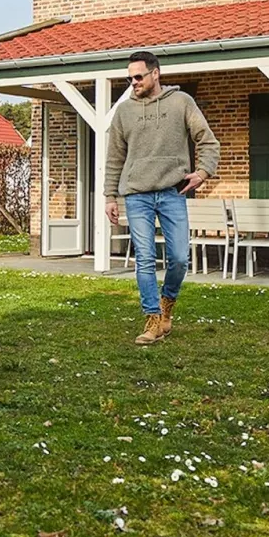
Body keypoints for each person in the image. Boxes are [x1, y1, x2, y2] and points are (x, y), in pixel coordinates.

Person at [103, 51, 220, 345]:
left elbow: (207, 140)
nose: (133, 82)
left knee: (180, 258)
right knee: (145, 258)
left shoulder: (181, 103)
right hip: (137, 195)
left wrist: (203, 172)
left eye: (138, 76)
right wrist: (110, 196)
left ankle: (167, 307)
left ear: (156, 74)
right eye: (129, 78)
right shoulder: (124, 111)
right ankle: (152, 319)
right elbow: (115, 157)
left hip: (172, 193)